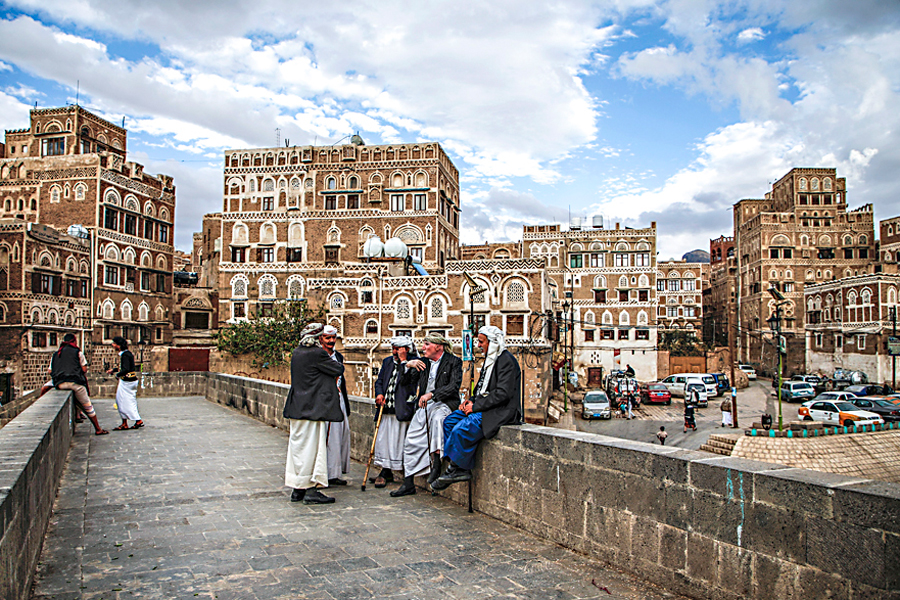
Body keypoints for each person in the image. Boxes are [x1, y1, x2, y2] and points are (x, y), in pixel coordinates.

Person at [432, 326, 521, 491]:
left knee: (462, 428)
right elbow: (482, 388)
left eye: (481, 342)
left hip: (500, 410)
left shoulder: (506, 361)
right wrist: (469, 402)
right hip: (484, 406)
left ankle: (457, 469)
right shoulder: (490, 360)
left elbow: (502, 394)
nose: (479, 345)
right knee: (450, 421)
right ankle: (457, 465)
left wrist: (476, 406)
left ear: (492, 343)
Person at [390, 333, 462, 497]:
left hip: (444, 404)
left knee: (438, 420)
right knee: (411, 440)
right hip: (424, 406)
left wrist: (432, 395)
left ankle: (437, 462)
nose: (423, 348)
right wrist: (408, 364)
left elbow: (453, 387)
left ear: (438, 346)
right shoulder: (423, 363)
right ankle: (408, 483)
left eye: (427, 344)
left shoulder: (453, 362)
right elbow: (405, 381)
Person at [284, 322, 345, 505]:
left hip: (297, 407)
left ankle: (298, 488)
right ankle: (310, 489)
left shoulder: (296, 352)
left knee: (298, 449)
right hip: (312, 409)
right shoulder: (317, 354)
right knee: (312, 449)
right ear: (317, 338)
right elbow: (338, 368)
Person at [369, 336, 417, 488]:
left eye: (398, 349)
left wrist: (404, 362)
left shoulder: (414, 363)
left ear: (406, 349)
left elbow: (405, 381)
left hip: (401, 408)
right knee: (384, 441)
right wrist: (379, 394)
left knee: (398, 441)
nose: (394, 352)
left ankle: (403, 473)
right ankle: (385, 471)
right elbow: (380, 381)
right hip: (386, 408)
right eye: (394, 349)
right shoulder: (387, 361)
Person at [50, 333, 108, 435]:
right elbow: (84, 369)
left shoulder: (56, 354)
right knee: (88, 406)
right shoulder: (78, 353)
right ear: (74, 341)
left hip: (60, 383)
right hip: (75, 383)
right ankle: (98, 428)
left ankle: (77, 415)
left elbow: (50, 371)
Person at [320, 325, 351, 486]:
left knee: (339, 436)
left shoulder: (338, 356)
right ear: (321, 339)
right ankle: (322, 474)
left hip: (338, 401)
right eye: (327, 338)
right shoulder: (317, 356)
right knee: (326, 438)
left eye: (333, 338)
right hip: (324, 402)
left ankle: (334, 473)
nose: (331, 341)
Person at [106, 336, 143, 430]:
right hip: (131, 381)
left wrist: (117, 375)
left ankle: (135, 420)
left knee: (122, 401)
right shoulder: (126, 354)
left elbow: (126, 369)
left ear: (119, 345)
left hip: (127, 381)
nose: (113, 345)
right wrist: (114, 370)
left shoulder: (125, 355)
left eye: (114, 343)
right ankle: (125, 422)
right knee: (127, 401)